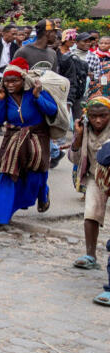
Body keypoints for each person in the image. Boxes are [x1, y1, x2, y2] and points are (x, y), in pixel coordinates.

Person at [0, 58, 59, 224]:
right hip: (13, 138)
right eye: (7, 81)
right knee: (7, 174)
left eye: (14, 81)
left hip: (37, 138)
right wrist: (1, 100)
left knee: (35, 177)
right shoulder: (5, 96)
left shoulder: (35, 92)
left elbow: (52, 111)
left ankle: (43, 192)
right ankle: (1, 215)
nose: (10, 85)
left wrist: (38, 97)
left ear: (23, 80)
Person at [69, 98, 110, 270]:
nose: (98, 120)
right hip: (95, 176)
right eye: (94, 116)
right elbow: (74, 159)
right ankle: (90, 255)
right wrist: (78, 137)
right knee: (91, 214)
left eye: (103, 116)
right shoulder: (83, 129)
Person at [86, 35, 110, 102]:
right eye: (101, 43)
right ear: (98, 44)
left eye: (106, 43)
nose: (103, 45)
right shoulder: (92, 56)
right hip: (95, 85)